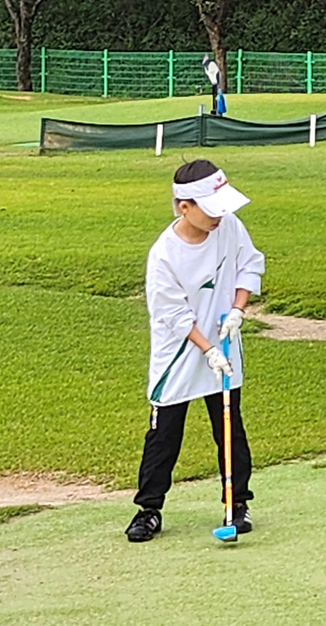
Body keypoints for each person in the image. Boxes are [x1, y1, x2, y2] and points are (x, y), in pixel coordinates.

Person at [127, 159, 264, 542]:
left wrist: (237, 311)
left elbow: (248, 266)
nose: (220, 217)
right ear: (184, 206)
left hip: (223, 340)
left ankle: (238, 503)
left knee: (229, 428)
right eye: (211, 209)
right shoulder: (164, 255)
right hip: (180, 354)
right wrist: (206, 350)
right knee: (164, 434)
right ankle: (148, 510)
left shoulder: (230, 227)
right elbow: (173, 314)